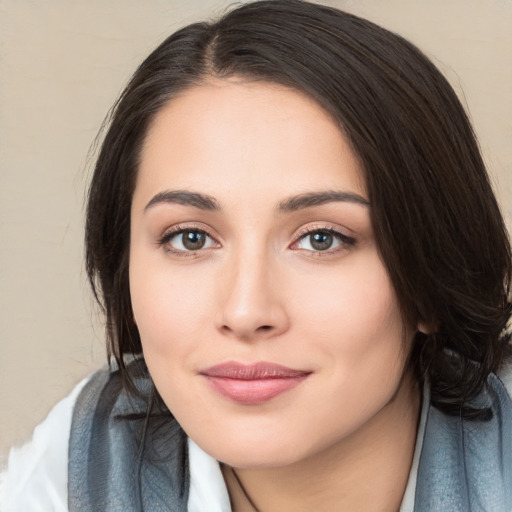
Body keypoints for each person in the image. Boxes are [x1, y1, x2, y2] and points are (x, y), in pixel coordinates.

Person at [1, 0, 511, 510]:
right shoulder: (80, 461)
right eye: (190, 238)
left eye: (321, 239)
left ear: (433, 274)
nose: (246, 312)